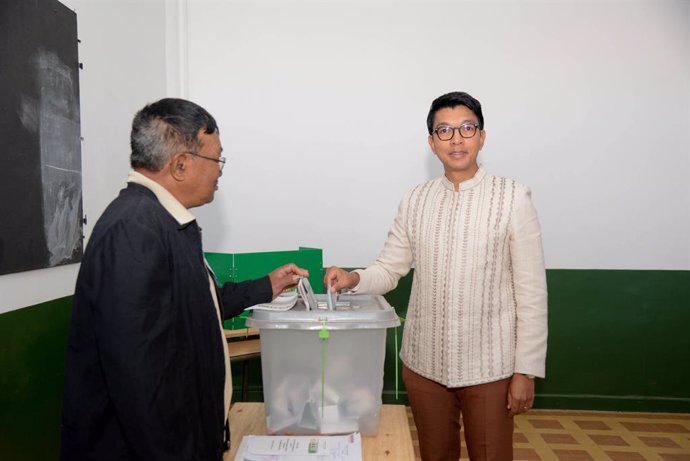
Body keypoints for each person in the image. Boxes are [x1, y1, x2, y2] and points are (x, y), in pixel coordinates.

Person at [60, 98, 308, 460]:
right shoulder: (135, 230)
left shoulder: (159, 222)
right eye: (217, 159)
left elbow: (191, 311)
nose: (220, 170)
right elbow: (140, 383)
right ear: (180, 165)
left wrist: (266, 286)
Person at [324, 91, 547, 461]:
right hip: (424, 365)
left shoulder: (513, 198)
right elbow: (389, 268)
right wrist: (353, 279)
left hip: (490, 367)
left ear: (482, 136)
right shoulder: (416, 199)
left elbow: (532, 293)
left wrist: (526, 370)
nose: (456, 139)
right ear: (431, 142)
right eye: (444, 130)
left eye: (466, 128)